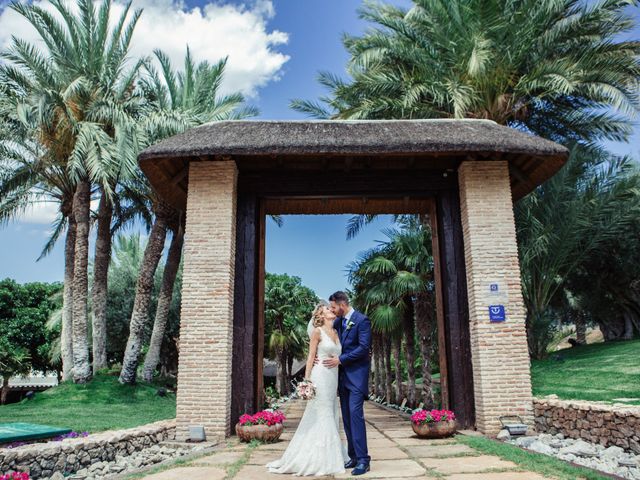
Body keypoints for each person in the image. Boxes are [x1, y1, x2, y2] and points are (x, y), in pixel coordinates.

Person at [266, 301, 348, 476]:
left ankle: (332, 453)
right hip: (320, 376)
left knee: (331, 412)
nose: (331, 310)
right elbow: (311, 357)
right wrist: (307, 381)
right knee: (322, 413)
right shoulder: (317, 332)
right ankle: (322, 458)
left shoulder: (336, 332)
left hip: (332, 378)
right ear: (321, 314)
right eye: (327, 308)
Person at [323, 291, 372, 476]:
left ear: (342, 304)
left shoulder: (362, 320)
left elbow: (363, 348)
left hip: (357, 378)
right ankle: (353, 456)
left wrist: (341, 360)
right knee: (347, 418)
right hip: (342, 379)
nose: (333, 311)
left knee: (355, 415)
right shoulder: (339, 321)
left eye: (334, 307)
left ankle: (363, 460)